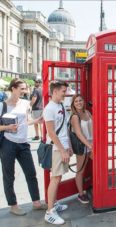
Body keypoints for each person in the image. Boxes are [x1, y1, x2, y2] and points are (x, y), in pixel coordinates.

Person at [0, 78, 47, 216]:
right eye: (22, 88)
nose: (24, 91)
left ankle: (36, 202)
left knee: (31, 173)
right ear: (13, 88)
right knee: (9, 176)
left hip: (23, 143)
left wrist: (37, 121)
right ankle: (13, 205)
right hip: (8, 143)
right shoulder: (2, 105)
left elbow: (25, 122)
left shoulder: (26, 103)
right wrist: (7, 127)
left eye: (25, 88)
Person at [43, 80, 72, 225]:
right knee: (55, 178)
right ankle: (49, 212)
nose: (65, 94)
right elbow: (51, 133)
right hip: (56, 148)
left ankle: (54, 204)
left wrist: (69, 146)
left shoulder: (60, 105)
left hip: (63, 146)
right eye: (63, 91)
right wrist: (62, 150)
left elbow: (65, 128)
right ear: (55, 91)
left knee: (59, 176)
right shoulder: (49, 109)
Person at [70, 94, 93, 204]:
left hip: (92, 144)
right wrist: (89, 145)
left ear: (83, 101)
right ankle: (81, 194)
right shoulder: (75, 116)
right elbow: (79, 134)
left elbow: (95, 126)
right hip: (83, 146)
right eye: (76, 101)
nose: (78, 103)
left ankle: (96, 187)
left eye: (80, 100)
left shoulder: (87, 112)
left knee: (99, 165)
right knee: (80, 170)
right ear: (73, 104)